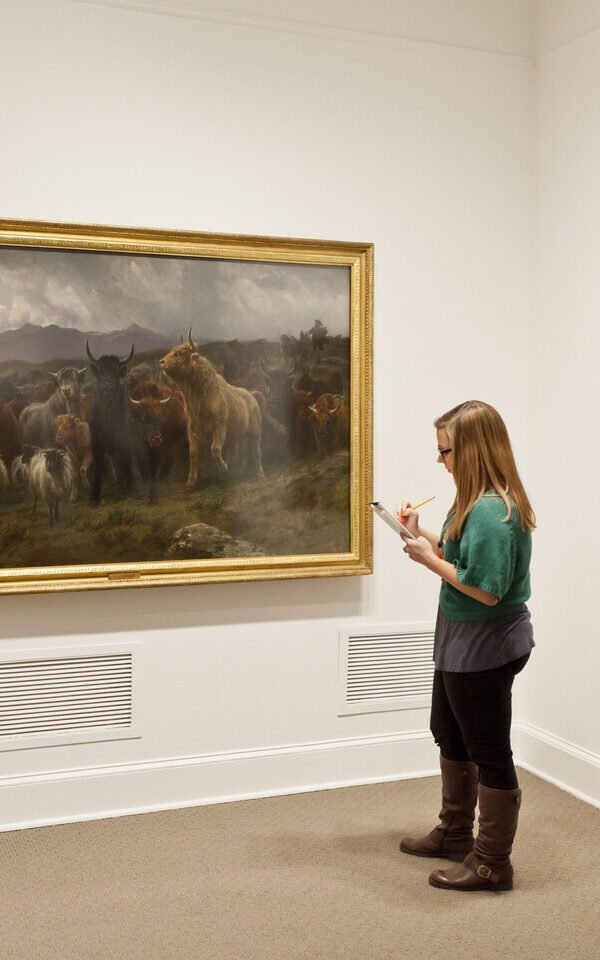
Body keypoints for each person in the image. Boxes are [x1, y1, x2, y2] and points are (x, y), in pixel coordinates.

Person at [396, 400, 535, 892]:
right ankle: (456, 833)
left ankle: (492, 863)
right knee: (449, 732)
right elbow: (464, 555)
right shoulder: (473, 502)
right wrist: (423, 537)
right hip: (463, 638)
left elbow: (486, 588)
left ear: (471, 450)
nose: (441, 460)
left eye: (445, 450)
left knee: (488, 749)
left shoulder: (493, 512)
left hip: (486, 645)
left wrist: (424, 560)